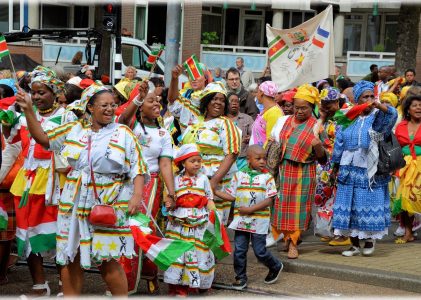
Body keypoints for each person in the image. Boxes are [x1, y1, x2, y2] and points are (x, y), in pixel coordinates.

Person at [15, 82, 148, 296]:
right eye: (104, 105)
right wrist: (29, 109)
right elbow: (43, 138)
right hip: (74, 199)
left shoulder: (123, 132)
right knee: (71, 255)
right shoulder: (74, 129)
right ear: (90, 107)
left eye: (113, 105)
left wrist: (136, 196)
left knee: (107, 257)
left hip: (109, 200)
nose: (109, 109)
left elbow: (138, 167)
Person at [3, 66, 77, 296]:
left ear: (55, 92)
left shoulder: (67, 117)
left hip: (56, 184)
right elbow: (12, 142)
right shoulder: (23, 115)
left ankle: (66, 286)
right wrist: (7, 125)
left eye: (42, 92)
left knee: (60, 235)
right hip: (28, 182)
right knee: (28, 234)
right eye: (33, 93)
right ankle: (39, 285)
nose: (36, 97)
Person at [118, 83, 175, 294]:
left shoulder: (163, 133)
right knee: (123, 231)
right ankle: (123, 281)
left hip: (150, 187)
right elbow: (123, 119)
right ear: (141, 105)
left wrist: (171, 192)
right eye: (151, 100)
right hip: (124, 184)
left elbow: (165, 163)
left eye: (158, 100)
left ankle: (150, 274)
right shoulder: (129, 126)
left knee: (143, 231)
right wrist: (138, 99)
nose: (157, 103)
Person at [331, 80, 398, 257]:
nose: (369, 99)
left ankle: (369, 240)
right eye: (364, 97)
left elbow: (392, 116)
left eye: (371, 96)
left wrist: (380, 105)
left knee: (368, 204)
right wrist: (335, 165)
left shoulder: (378, 117)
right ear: (356, 99)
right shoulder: (346, 117)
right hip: (348, 167)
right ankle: (353, 244)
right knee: (350, 205)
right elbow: (339, 143)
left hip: (370, 169)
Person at [270, 84, 329, 259]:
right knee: (281, 207)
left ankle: (294, 243)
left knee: (298, 210)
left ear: (312, 107)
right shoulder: (285, 121)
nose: (300, 111)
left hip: (304, 172)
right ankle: (286, 239)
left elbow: (324, 159)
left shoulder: (317, 127)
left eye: (304, 108)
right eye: (297, 107)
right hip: (283, 170)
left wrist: (318, 146)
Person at [214, 145, 283, 290]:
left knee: (259, 251)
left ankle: (275, 265)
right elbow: (231, 196)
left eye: (264, 158)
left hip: (260, 220)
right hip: (241, 221)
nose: (262, 161)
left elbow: (269, 200)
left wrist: (250, 209)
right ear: (248, 159)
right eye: (258, 158)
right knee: (239, 250)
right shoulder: (238, 176)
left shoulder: (268, 177)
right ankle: (240, 277)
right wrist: (216, 191)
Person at [181, 82, 241, 225]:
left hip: (216, 180)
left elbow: (232, 154)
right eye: (214, 99)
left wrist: (213, 181)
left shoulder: (225, 124)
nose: (218, 103)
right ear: (206, 102)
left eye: (222, 100)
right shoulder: (196, 121)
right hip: (193, 178)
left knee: (212, 223)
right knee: (193, 219)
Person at [163, 144, 216, 296]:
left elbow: (209, 199)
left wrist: (214, 217)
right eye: (193, 161)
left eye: (199, 161)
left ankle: (200, 283)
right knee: (180, 255)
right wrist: (169, 204)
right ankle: (178, 288)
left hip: (199, 224)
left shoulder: (204, 179)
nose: (197, 164)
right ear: (183, 162)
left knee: (200, 253)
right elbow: (170, 200)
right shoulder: (174, 179)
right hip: (179, 225)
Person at [316, 87, 351, 246]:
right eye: (322, 104)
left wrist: (337, 165)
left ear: (337, 101)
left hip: (342, 163)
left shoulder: (346, 114)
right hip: (327, 164)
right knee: (327, 197)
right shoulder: (327, 117)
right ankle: (330, 229)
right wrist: (322, 117)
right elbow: (314, 135)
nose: (324, 108)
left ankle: (344, 234)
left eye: (328, 104)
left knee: (341, 198)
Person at [394, 95, 421, 244]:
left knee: (418, 196)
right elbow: (396, 146)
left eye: (420, 105)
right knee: (404, 199)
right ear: (408, 110)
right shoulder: (401, 126)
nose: (419, 108)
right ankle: (408, 232)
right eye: (415, 105)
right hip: (405, 166)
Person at [167, 63, 210, 133]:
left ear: (205, 77)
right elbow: (172, 101)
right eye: (191, 75)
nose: (194, 79)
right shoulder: (185, 94)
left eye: (197, 75)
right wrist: (174, 78)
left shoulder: (211, 96)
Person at [249, 81, 284, 148]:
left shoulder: (274, 112)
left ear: (261, 93)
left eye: (257, 91)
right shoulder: (266, 110)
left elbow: (271, 141)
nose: (256, 94)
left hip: (263, 156)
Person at [227, 93, 254, 170]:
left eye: (236, 101)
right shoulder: (222, 119)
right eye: (231, 101)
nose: (234, 103)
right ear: (226, 103)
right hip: (225, 158)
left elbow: (255, 136)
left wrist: (250, 138)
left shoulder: (247, 118)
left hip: (243, 159)